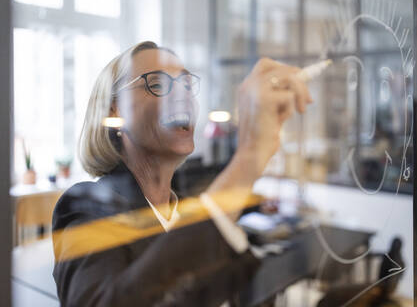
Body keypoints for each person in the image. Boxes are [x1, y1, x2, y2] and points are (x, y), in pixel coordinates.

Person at [52, 41, 312, 306]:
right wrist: (249, 157)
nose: (182, 95)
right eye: (158, 84)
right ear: (114, 111)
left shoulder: (188, 212)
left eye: (187, 85)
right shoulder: (86, 209)